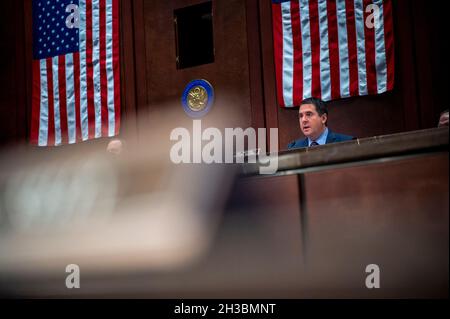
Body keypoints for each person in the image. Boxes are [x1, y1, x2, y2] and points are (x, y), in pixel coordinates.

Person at [288, 97, 353, 150]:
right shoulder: (294, 148)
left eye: (309, 114)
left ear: (323, 118)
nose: (303, 120)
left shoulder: (347, 143)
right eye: (301, 116)